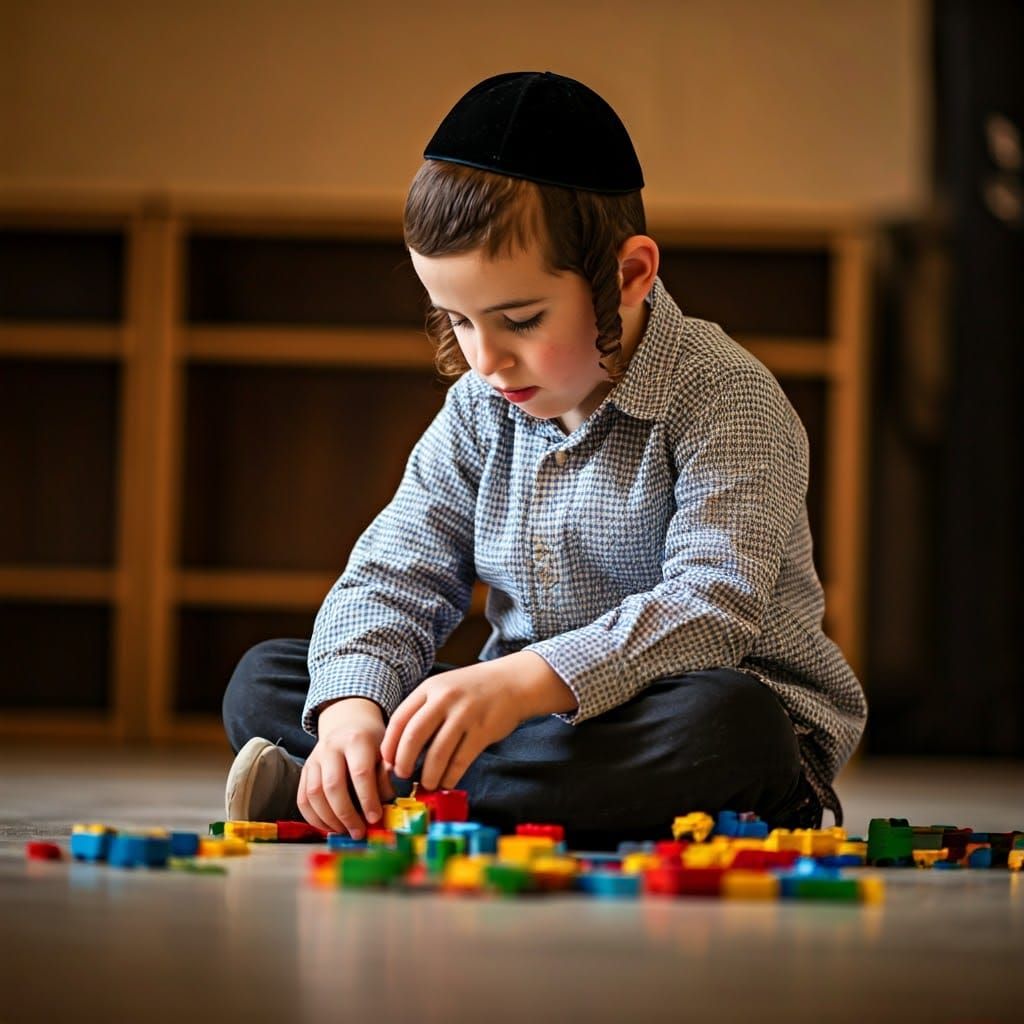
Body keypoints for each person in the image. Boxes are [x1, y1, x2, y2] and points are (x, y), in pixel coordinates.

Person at [221, 70, 867, 848]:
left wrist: (524, 682)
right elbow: (396, 571)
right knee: (268, 679)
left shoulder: (726, 397)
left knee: (731, 725)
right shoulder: (480, 407)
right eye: (457, 321)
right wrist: (351, 712)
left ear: (629, 277)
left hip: (694, 713)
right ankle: (389, 775)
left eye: (520, 319)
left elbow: (711, 607)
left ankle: (390, 796)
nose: (486, 359)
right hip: (532, 729)